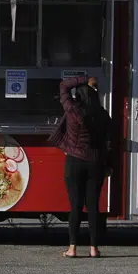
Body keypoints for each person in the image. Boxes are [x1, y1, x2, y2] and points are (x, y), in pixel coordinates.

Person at [54, 75, 110, 258]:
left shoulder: (73, 111)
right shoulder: (102, 114)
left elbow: (63, 86)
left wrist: (85, 79)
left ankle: (72, 248)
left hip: (74, 162)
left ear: (78, 96)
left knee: (76, 206)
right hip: (95, 162)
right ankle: (94, 248)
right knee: (93, 207)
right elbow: (109, 142)